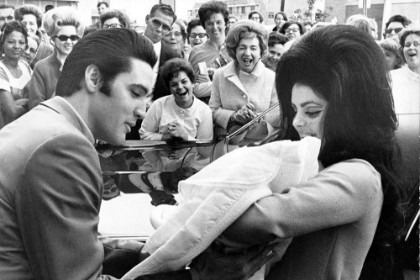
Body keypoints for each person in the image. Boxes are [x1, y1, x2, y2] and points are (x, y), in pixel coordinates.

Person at [0, 27, 272, 280]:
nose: (143, 110)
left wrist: (147, 252)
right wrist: (197, 276)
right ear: (94, 78)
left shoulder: (46, 123)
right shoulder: (63, 147)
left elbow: (65, 249)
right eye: (135, 92)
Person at [221, 25, 405, 280]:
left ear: (351, 112)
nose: (296, 122)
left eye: (312, 111)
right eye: (294, 109)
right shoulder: (319, 160)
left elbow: (254, 221)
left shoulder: (359, 176)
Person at [209, 20, 281, 146]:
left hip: (260, 147)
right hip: (227, 147)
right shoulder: (220, 75)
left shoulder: (272, 78)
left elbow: (277, 118)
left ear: (261, 51)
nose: (247, 53)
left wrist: (254, 119)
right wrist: (234, 117)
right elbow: (213, 111)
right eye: (242, 47)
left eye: (253, 48)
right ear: (234, 50)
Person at [126, 4, 181, 140]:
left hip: (152, 125)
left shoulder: (173, 56)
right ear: (147, 19)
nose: (159, 29)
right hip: (123, 117)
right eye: (156, 22)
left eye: (165, 27)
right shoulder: (126, 46)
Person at [24, 6, 84, 110]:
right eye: (63, 37)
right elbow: (35, 108)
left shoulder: (86, 65)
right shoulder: (42, 68)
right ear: (52, 39)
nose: (69, 42)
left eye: (74, 38)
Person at [140, 58, 213, 142]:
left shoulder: (204, 111)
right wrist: (165, 137)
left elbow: (205, 148)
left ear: (192, 83)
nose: (180, 87)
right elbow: (144, 134)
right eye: (174, 84)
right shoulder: (158, 105)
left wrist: (184, 136)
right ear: (169, 88)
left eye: (184, 82)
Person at [390, 26, 419, 191]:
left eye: (417, 43)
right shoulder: (392, 79)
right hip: (401, 156)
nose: (412, 48)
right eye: (407, 45)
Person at [188, 1, 232, 103]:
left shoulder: (235, 48)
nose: (215, 27)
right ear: (204, 26)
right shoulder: (196, 52)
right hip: (205, 109)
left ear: (225, 23)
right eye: (210, 23)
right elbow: (192, 87)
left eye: (219, 22)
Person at [0, 21, 32, 129]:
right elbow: (12, 112)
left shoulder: (25, 66)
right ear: (2, 43)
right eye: (11, 42)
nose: (17, 46)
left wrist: (18, 102)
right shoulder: (1, 70)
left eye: (21, 42)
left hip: (24, 128)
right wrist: (30, 102)